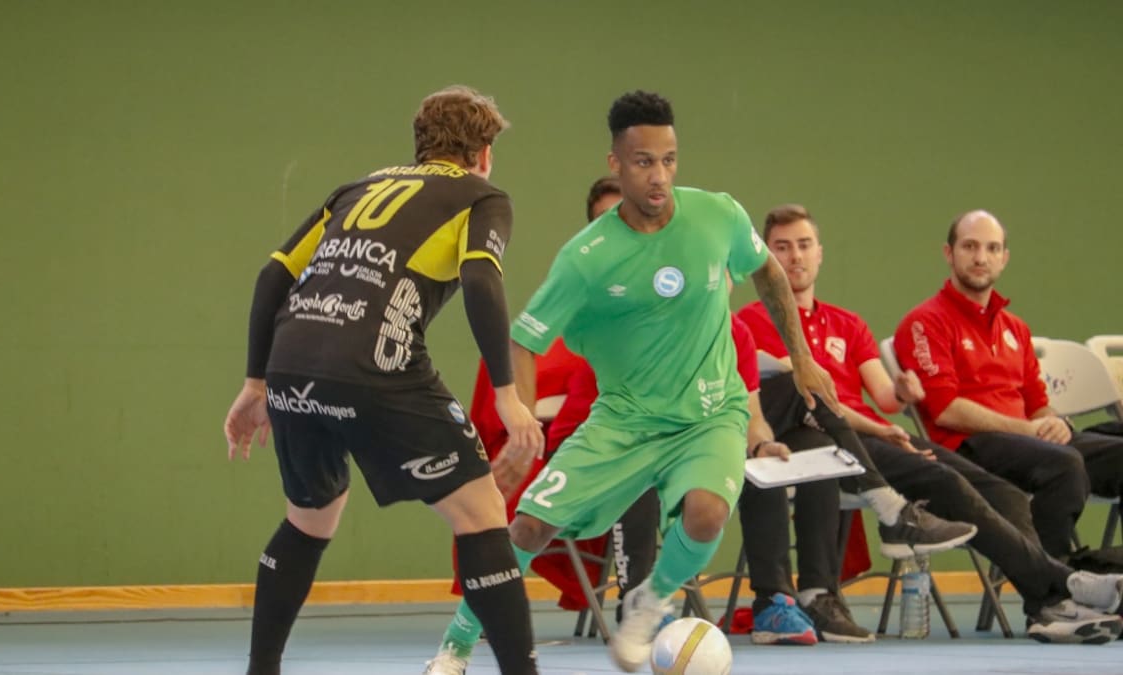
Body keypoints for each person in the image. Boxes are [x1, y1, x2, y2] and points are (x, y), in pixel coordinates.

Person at [425, 89, 842, 675]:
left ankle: (648, 603)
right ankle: (457, 644)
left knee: (705, 513)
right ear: (616, 164)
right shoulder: (587, 258)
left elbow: (768, 273)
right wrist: (518, 421)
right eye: (644, 161)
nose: (660, 176)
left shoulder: (718, 213)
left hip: (709, 412)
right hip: (623, 419)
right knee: (528, 525)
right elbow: (523, 339)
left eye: (669, 159)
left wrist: (799, 357)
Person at [222, 85, 545, 675]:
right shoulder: (481, 195)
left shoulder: (357, 188)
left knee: (310, 516)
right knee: (482, 514)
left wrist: (255, 383)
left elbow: (274, 274)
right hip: (374, 362)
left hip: (291, 360)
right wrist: (507, 396)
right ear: (483, 151)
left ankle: (260, 669)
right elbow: (480, 281)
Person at [740, 204, 1123, 643]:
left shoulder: (849, 324)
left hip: (880, 438)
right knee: (948, 482)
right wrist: (880, 428)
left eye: (804, 245)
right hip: (830, 445)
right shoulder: (751, 323)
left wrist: (903, 392)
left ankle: (1047, 603)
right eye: (782, 248)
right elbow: (804, 400)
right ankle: (1060, 586)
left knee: (1001, 490)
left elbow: (883, 396)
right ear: (766, 259)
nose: (795, 257)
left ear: (820, 253)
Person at [894, 210, 1123, 559]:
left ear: (1004, 258)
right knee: (1064, 464)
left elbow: (1037, 402)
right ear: (948, 253)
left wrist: (1054, 423)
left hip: (1031, 443)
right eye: (969, 246)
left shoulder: (1015, 328)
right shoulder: (925, 322)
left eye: (992, 248)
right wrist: (1030, 429)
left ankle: (1104, 575)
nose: (981, 257)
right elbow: (946, 410)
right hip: (970, 449)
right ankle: (1054, 590)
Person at [444, 177, 625, 612]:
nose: (616, 233)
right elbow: (516, 357)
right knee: (495, 480)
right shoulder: (564, 299)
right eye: (604, 222)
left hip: (627, 446)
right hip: (558, 448)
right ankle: (490, 596)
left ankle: (640, 596)